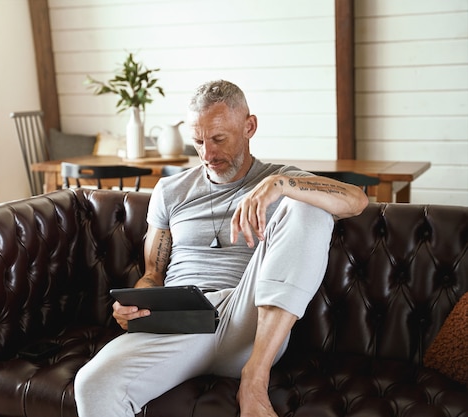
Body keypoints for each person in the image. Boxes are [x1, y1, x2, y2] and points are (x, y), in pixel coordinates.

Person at [74, 80, 369, 417]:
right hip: (181, 319)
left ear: (249, 127)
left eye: (218, 139)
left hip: (248, 318)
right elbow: (153, 274)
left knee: (307, 205)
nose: (207, 155)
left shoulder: (279, 180)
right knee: (92, 384)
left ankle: (254, 380)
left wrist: (282, 184)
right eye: (198, 141)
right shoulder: (170, 190)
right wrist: (136, 308)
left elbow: (356, 200)